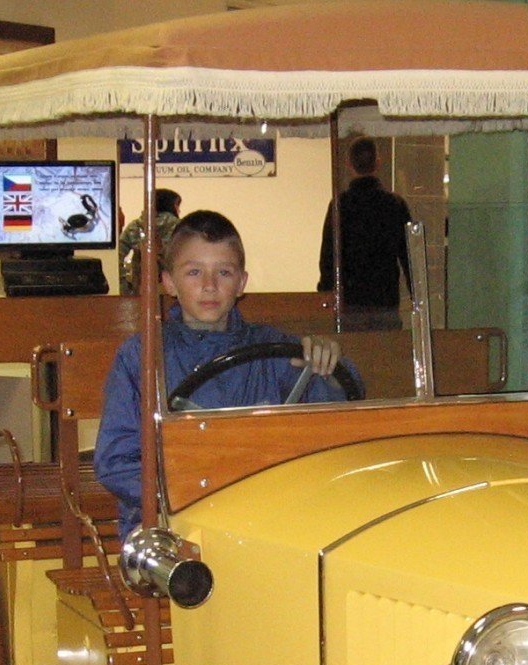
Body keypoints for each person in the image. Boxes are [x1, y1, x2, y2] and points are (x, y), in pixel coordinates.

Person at [97, 210, 347, 530]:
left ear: (241, 283)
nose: (210, 286)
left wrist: (326, 366)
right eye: (194, 272)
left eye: (224, 273)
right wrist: (182, 498)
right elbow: (116, 460)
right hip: (171, 519)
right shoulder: (142, 357)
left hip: (262, 515)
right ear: (169, 282)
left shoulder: (276, 351)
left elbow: (328, 426)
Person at [318, 137, 413, 330]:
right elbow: (408, 256)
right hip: (385, 301)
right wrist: (416, 295)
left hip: (350, 302)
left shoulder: (340, 205)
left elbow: (328, 255)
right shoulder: (394, 205)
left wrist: (326, 291)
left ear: (348, 164)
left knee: (353, 348)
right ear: (378, 162)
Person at [119, 187, 182, 288]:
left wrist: (124, 284)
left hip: (141, 285)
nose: (179, 210)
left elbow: (118, 255)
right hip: (172, 286)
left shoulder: (135, 226)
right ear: (172, 206)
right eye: (177, 206)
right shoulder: (180, 228)